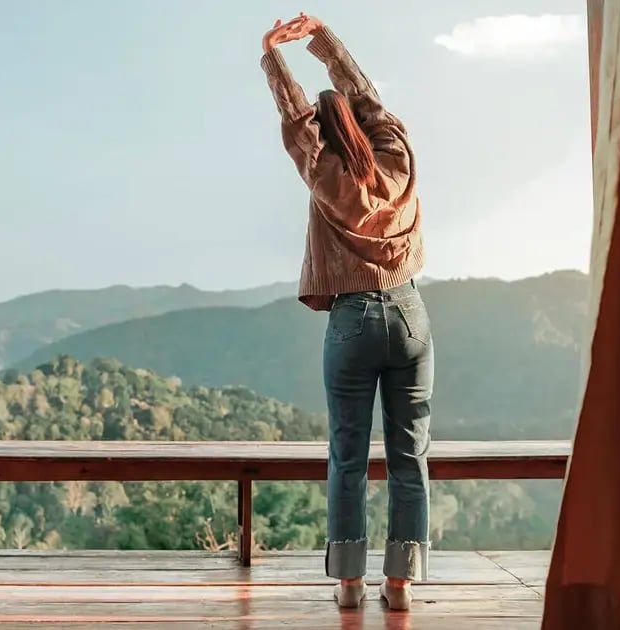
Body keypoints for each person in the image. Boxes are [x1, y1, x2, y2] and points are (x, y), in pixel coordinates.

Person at [260, 14, 433, 611]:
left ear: (325, 135)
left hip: (353, 320)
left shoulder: (324, 171)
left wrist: (272, 55)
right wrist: (323, 42)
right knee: (410, 453)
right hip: (410, 314)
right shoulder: (397, 157)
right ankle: (402, 585)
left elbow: (295, 120)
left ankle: (351, 584)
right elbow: (367, 97)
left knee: (348, 454)